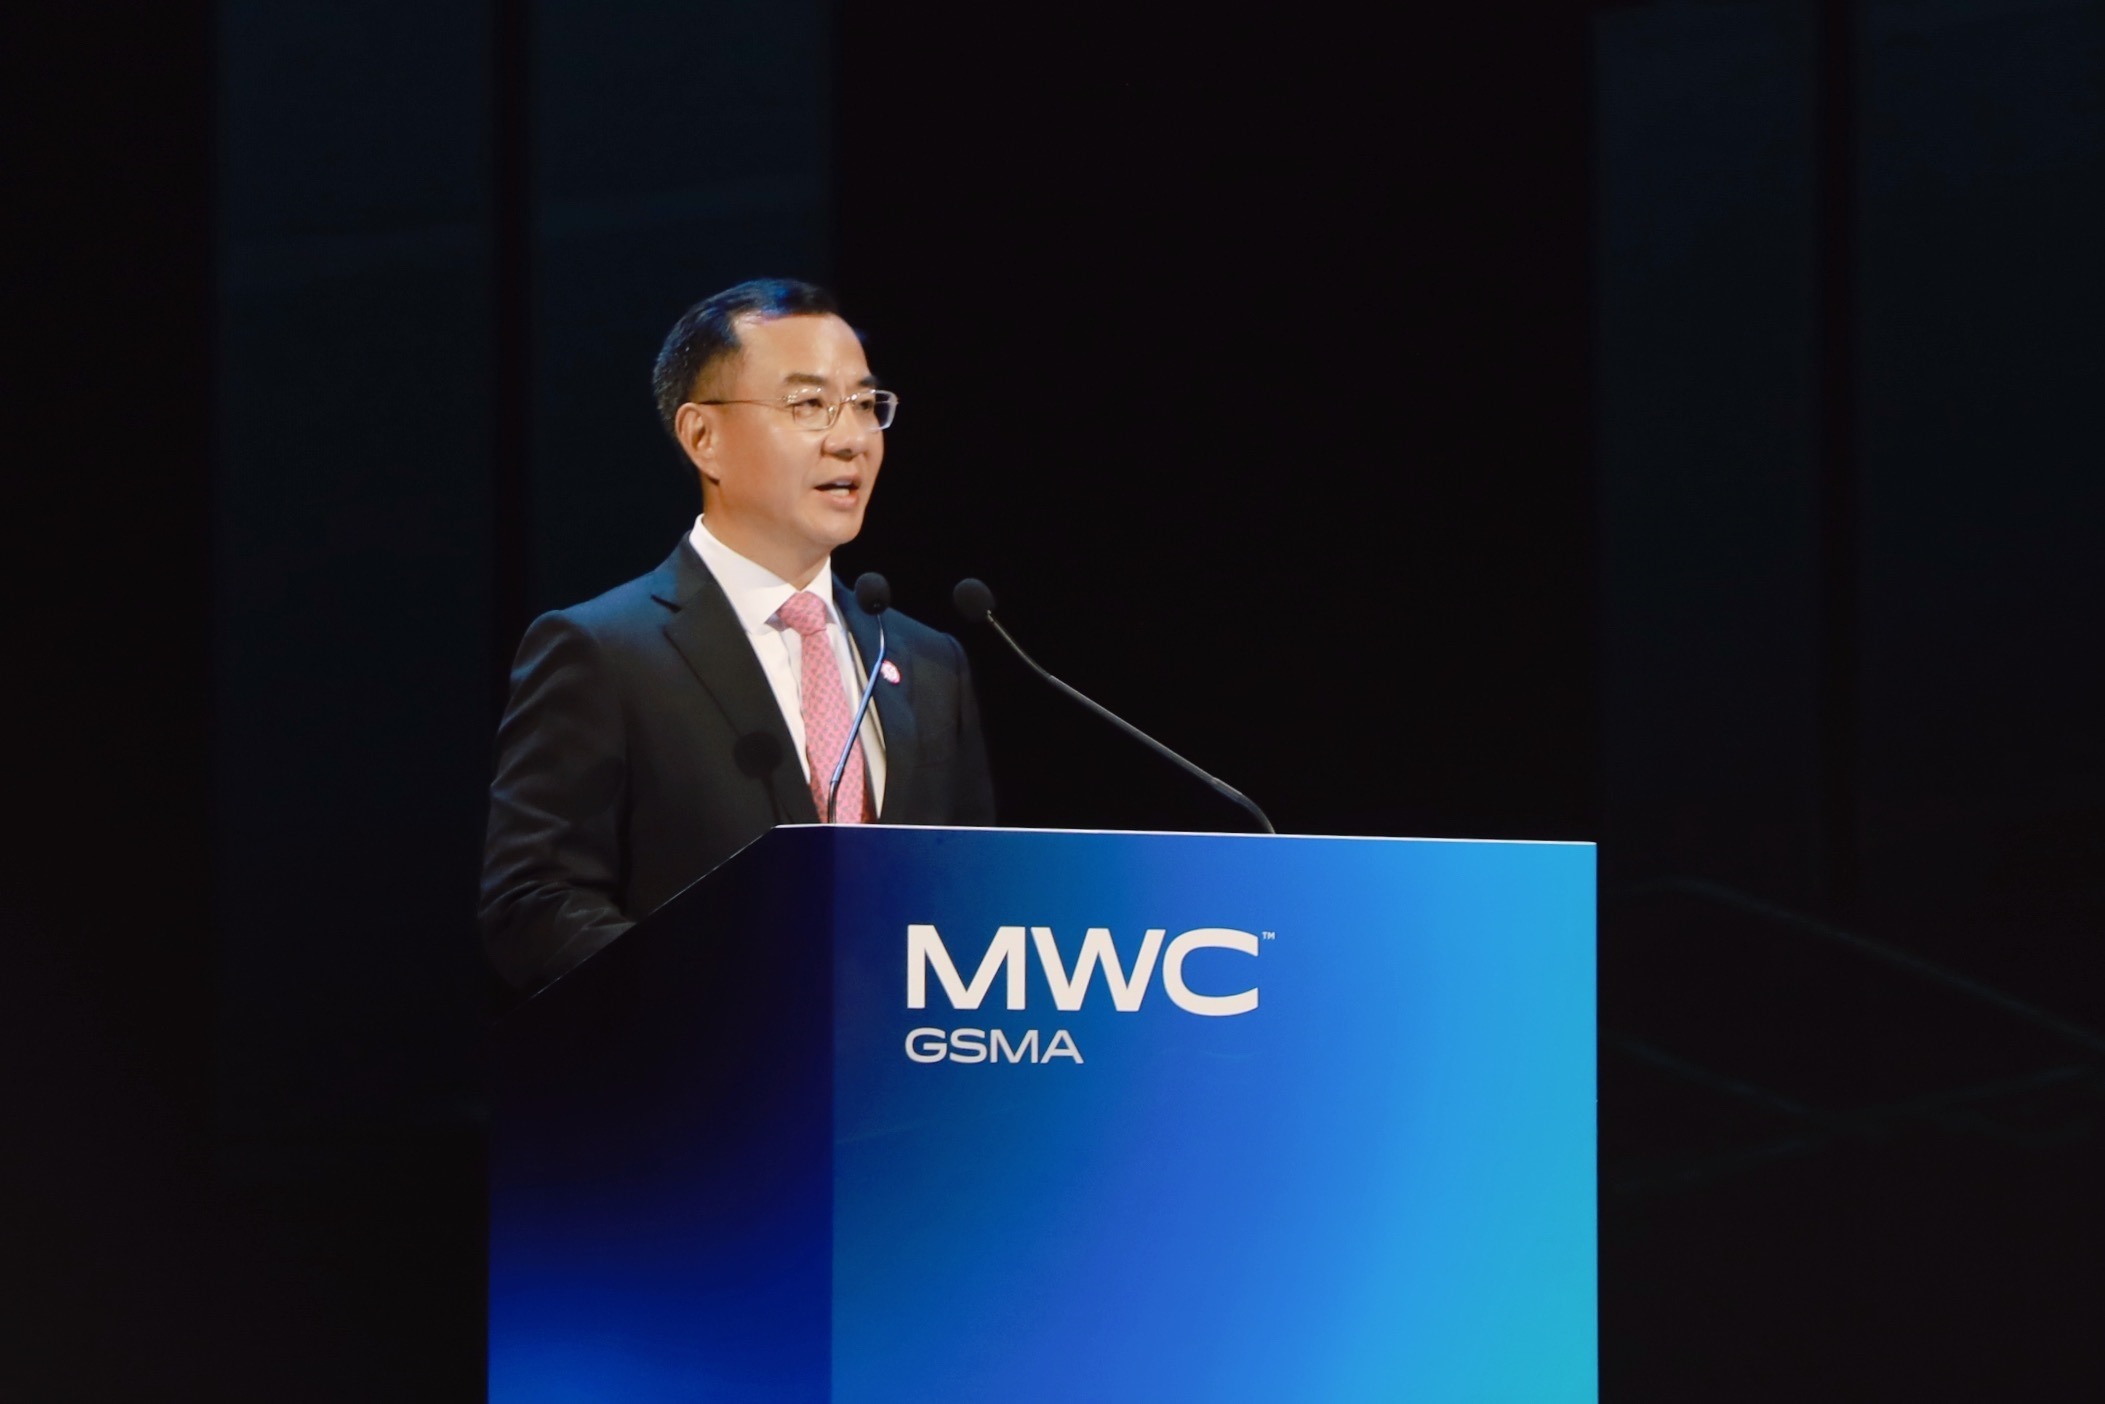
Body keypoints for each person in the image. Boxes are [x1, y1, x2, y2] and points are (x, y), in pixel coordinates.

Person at [479, 279, 996, 992]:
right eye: (808, 405)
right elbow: (534, 904)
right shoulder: (603, 651)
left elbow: (976, 898)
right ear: (703, 437)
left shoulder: (928, 662)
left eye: (864, 404)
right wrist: (716, 1002)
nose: (850, 439)